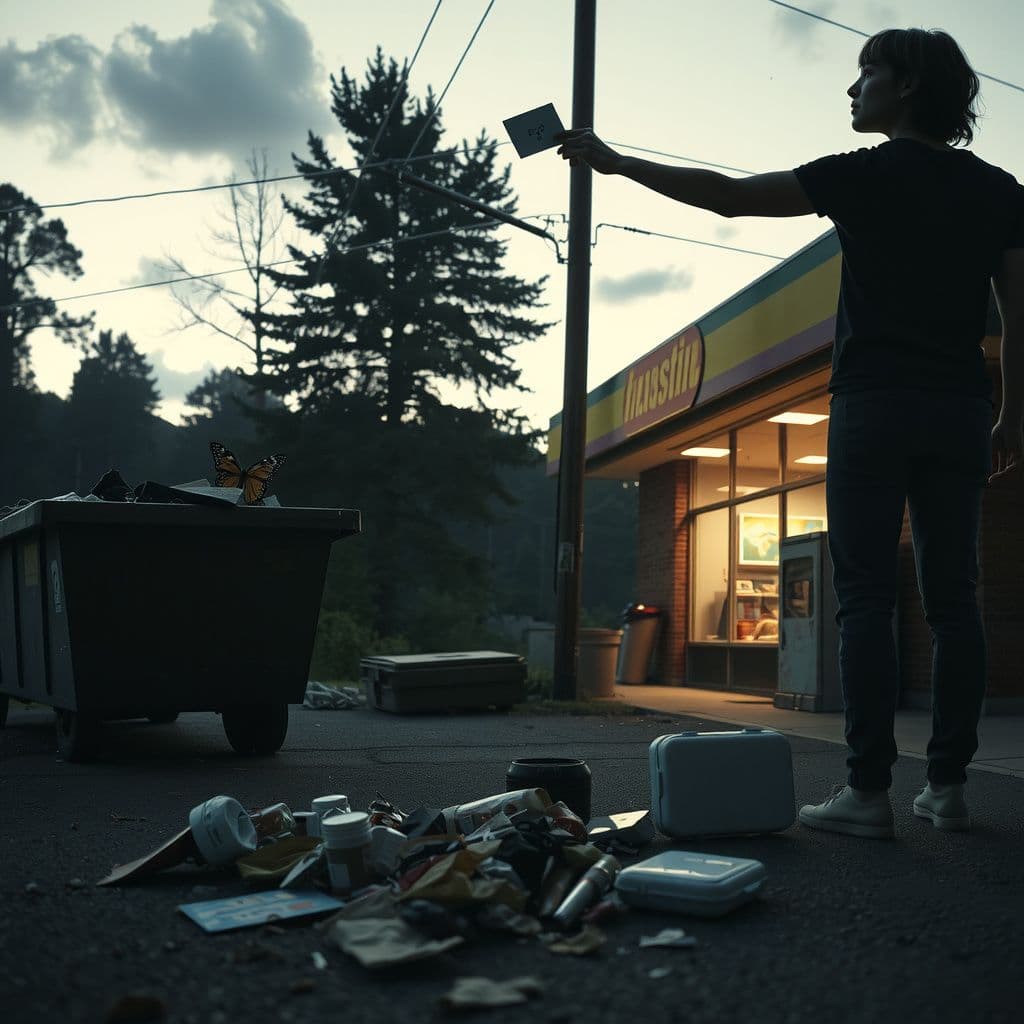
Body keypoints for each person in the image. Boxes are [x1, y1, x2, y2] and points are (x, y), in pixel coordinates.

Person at [555, 27, 1024, 839]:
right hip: (956, 409)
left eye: (866, 73)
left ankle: (868, 794)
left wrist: (618, 162)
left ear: (906, 85)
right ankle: (946, 788)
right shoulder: (1001, 189)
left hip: (874, 402)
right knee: (957, 602)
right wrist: (1012, 413)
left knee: (868, 599)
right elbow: (1021, 314)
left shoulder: (862, 175)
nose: (852, 90)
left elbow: (728, 196)